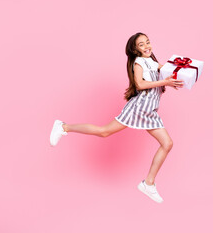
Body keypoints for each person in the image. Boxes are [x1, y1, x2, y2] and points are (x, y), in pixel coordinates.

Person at [49, 32, 184, 203]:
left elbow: (168, 70)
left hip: (150, 111)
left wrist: (181, 75)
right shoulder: (138, 62)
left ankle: (148, 184)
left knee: (167, 143)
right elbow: (140, 85)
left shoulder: (152, 62)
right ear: (135, 50)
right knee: (104, 131)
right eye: (141, 44)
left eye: (148, 42)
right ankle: (63, 127)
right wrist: (165, 82)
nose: (146, 46)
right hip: (138, 108)